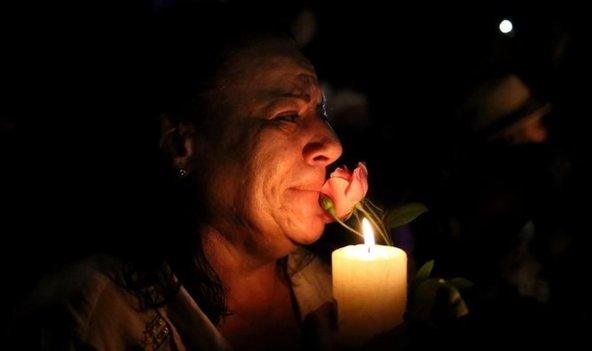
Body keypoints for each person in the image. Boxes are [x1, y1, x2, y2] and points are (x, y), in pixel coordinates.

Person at [10, 4, 348, 350]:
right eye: (288, 116)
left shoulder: (334, 289)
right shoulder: (94, 320)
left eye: (320, 111)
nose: (332, 145)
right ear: (181, 144)